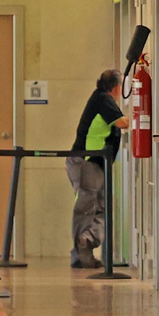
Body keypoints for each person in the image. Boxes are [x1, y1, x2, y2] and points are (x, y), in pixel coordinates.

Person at [66, 69, 129, 269]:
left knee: (99, 206)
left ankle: (85, 246)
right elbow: (122, 122)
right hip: (87, 161)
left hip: (92, 162)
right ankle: (83, 249)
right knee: (87, 207)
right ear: (117, 87)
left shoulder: (101, 98)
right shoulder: (104, 99)